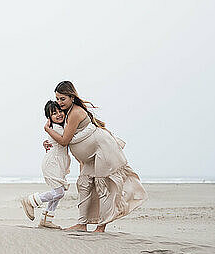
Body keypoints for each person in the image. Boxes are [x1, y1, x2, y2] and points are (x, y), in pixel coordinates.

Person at [45, 81, 147, 232]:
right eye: (57, 99)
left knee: (103, 187)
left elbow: (65, 140)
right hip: (91, 157)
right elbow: (60, 133)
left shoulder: (75, 112)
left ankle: (101, 226)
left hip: (103, 150)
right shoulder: (67, 111)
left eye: (62, 99)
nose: (59, 103)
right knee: (84, 184)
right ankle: (82, 224)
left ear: (71, 97)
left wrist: (47, 129)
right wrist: (48, 141)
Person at [20, 101, 71, 229]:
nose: (59, 114)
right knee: (59, 193)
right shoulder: (56, 128)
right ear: (49, 118)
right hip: (53, 162)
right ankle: (31, 200)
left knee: (57, 192)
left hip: (58, 163)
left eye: (60, 111)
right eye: (54, 113)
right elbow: (64, 141)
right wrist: (47, 129)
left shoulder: (60, 126)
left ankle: (46, 220)